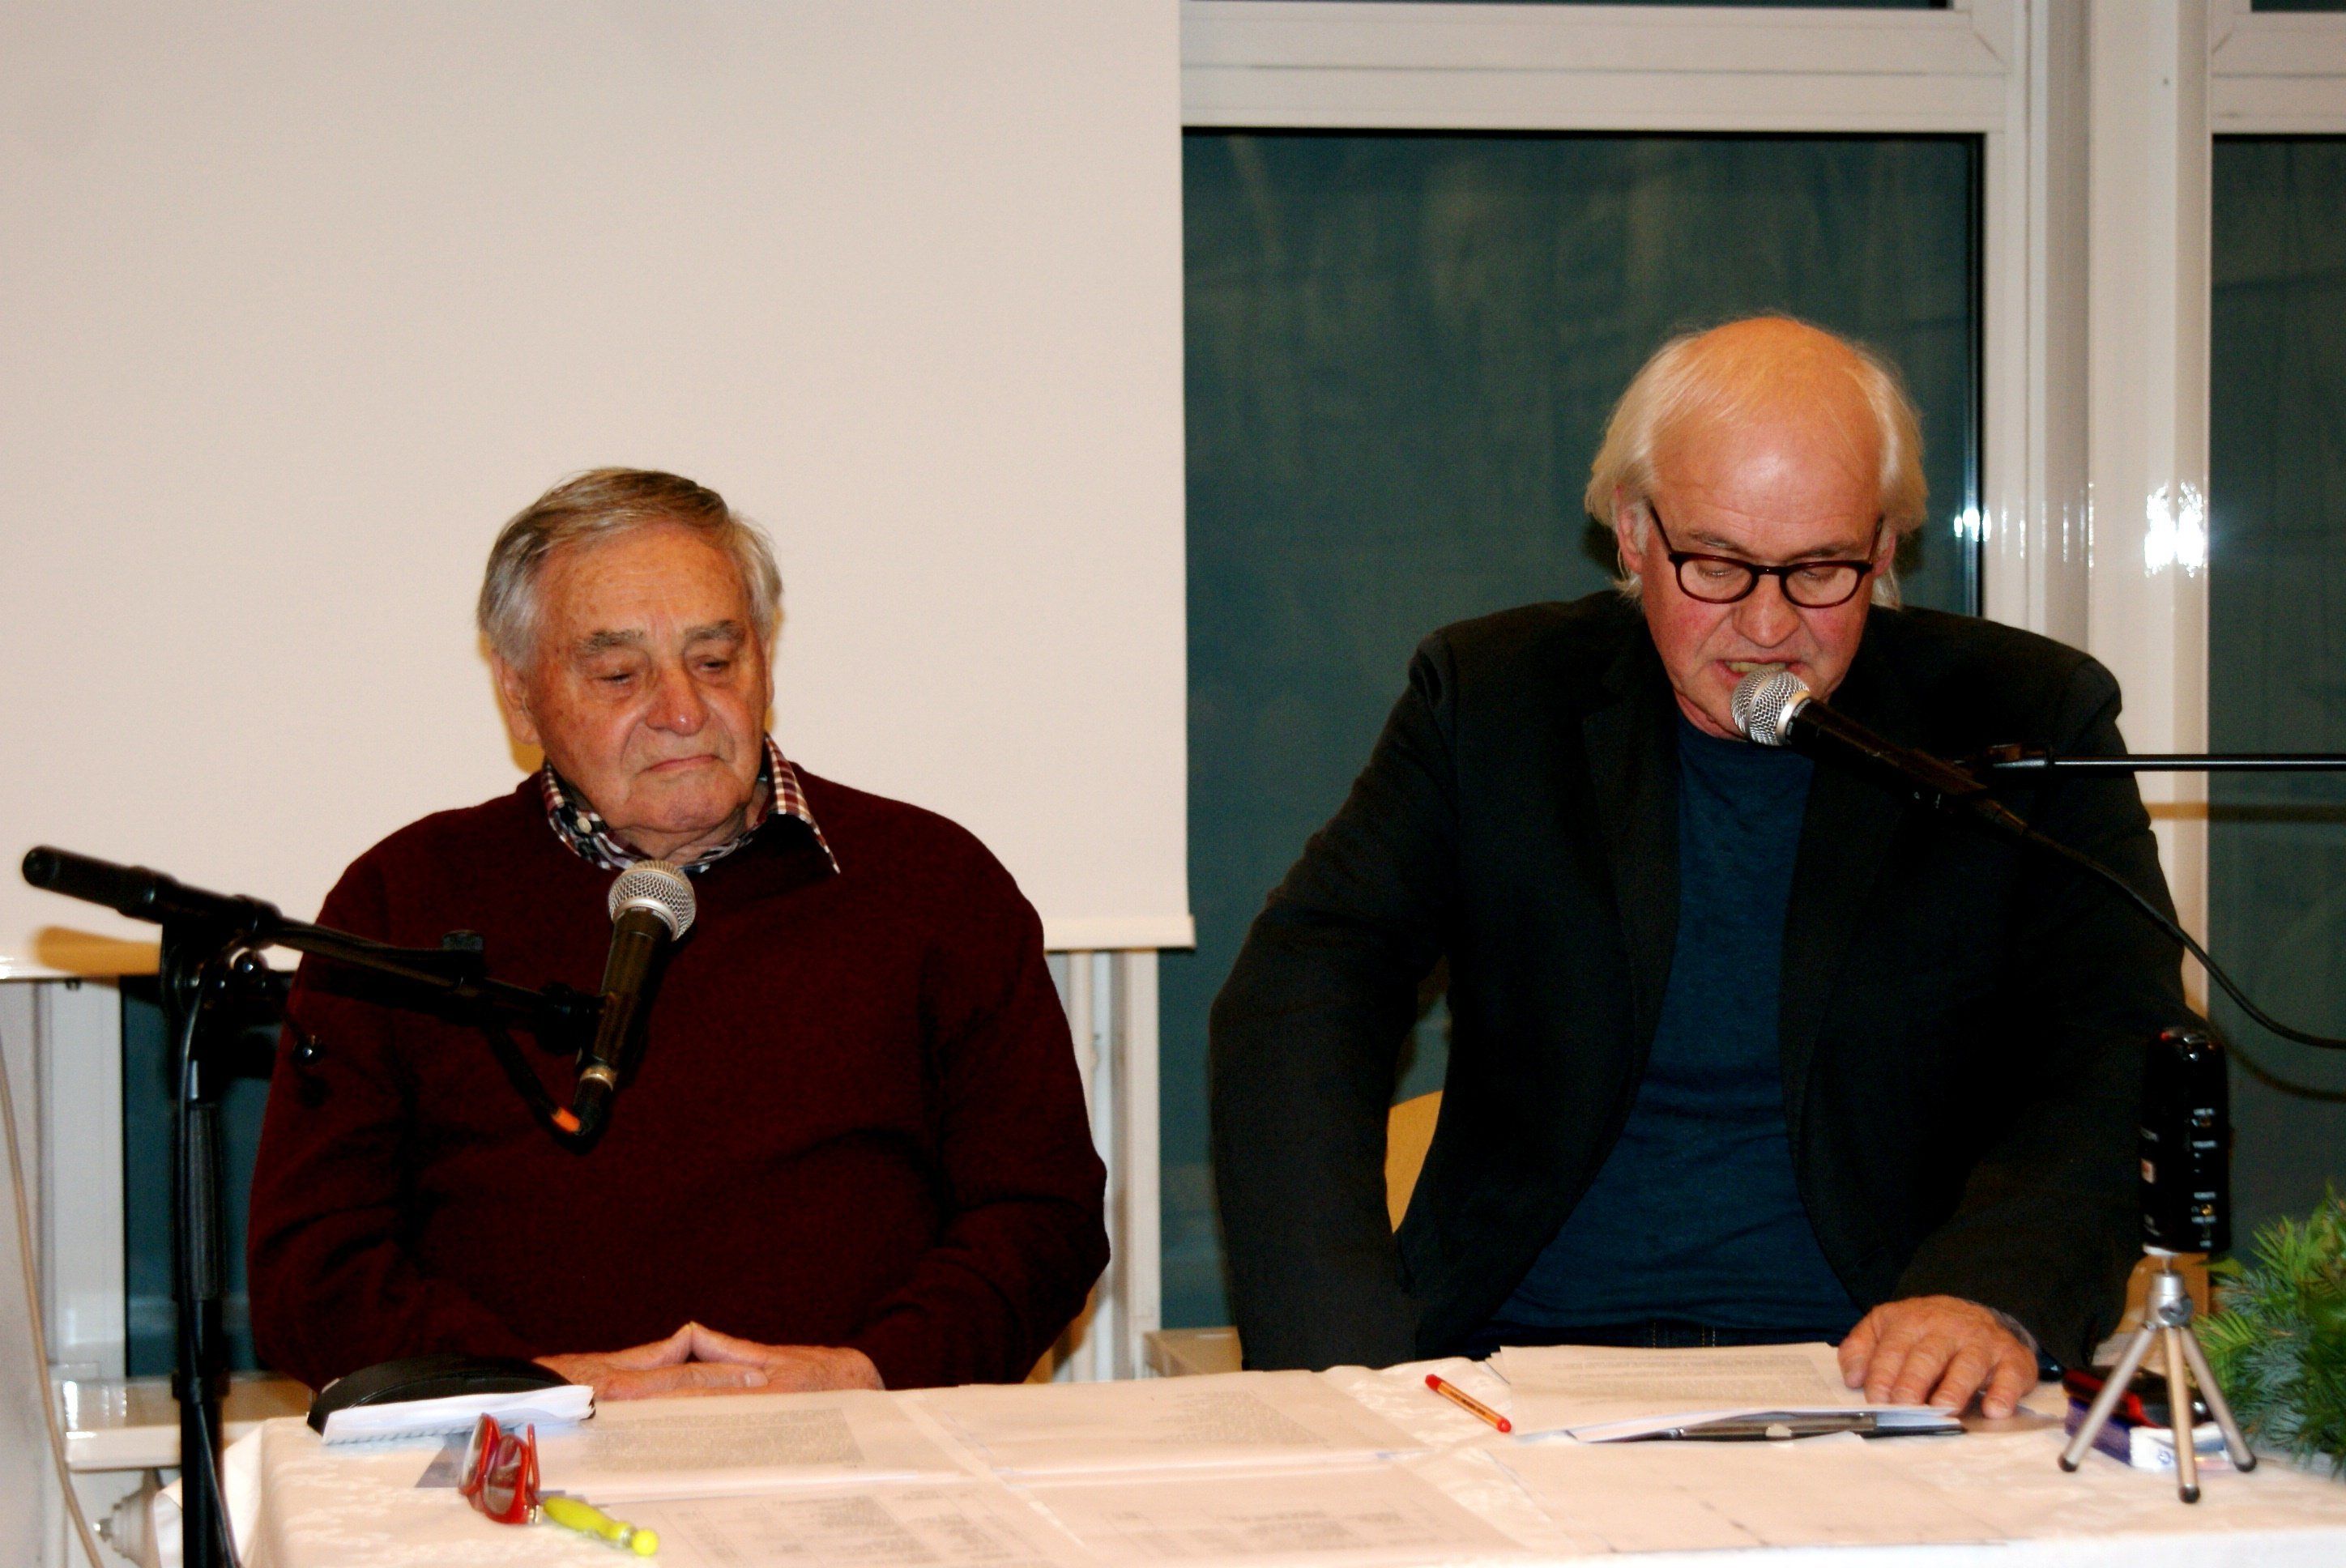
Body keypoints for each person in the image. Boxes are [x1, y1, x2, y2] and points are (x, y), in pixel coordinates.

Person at [1210, 317, 2195, 1419]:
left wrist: (1990, 1293)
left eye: (1820, 569)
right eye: (1717, 565)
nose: (1769, 626)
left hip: (1883, 1371)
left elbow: (2122, 1043)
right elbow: (1304, 990)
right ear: (1633, 535)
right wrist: (1340, 1363)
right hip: (1512, 1367)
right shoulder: (1495, 701)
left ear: (1884, 548)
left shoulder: (2024, 724)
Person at [248, 469, 1108, 1397]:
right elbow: (310, 1268)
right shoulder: (403, 902)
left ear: (765, 660)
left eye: (715, 660)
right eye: (620, 674)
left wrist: (870, 1374)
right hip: (521, 1460)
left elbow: (1042, 1217)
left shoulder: (934, 886)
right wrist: (532, 1388)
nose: (682, 711)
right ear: (519, 692)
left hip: (864, 1445)